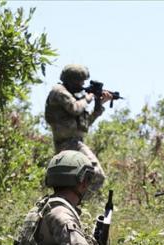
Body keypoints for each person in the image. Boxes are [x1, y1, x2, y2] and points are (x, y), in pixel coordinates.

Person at [45, 64, 113, 192]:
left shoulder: (74, 96)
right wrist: (89, 97)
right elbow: (75, 108)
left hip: (74, 142)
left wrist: (100, 104)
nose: (82, 85)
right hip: (68, 143)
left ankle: (79, 204)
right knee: (96, 174)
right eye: (80, 82)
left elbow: (84, 125)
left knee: (79, 179)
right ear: (72, 80)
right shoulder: (58, 91)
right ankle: (81, 203)